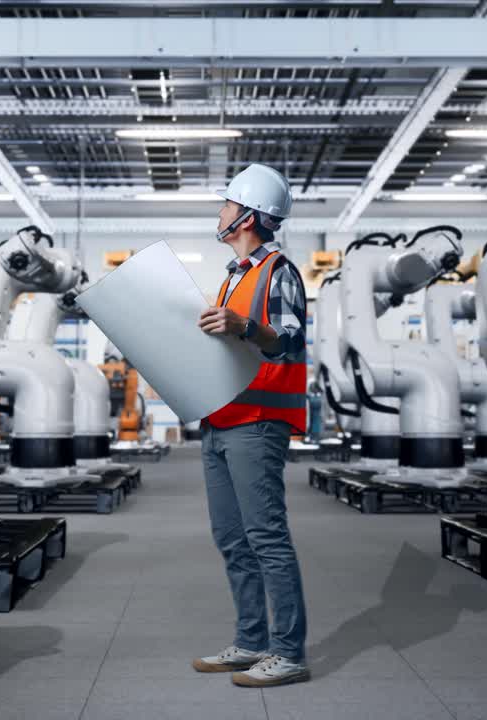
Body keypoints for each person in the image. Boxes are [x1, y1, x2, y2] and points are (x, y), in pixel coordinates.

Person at [192, 163, 310, 688]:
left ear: (248, 216)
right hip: (221, 419)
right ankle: (251, 641)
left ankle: (287, 652)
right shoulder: (231, 277)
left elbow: (287, 338)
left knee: (266, 537)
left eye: (226, 203)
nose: (219, 211)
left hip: (258, 421)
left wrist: (244, 326)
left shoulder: (277, 271)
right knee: (231, 538)